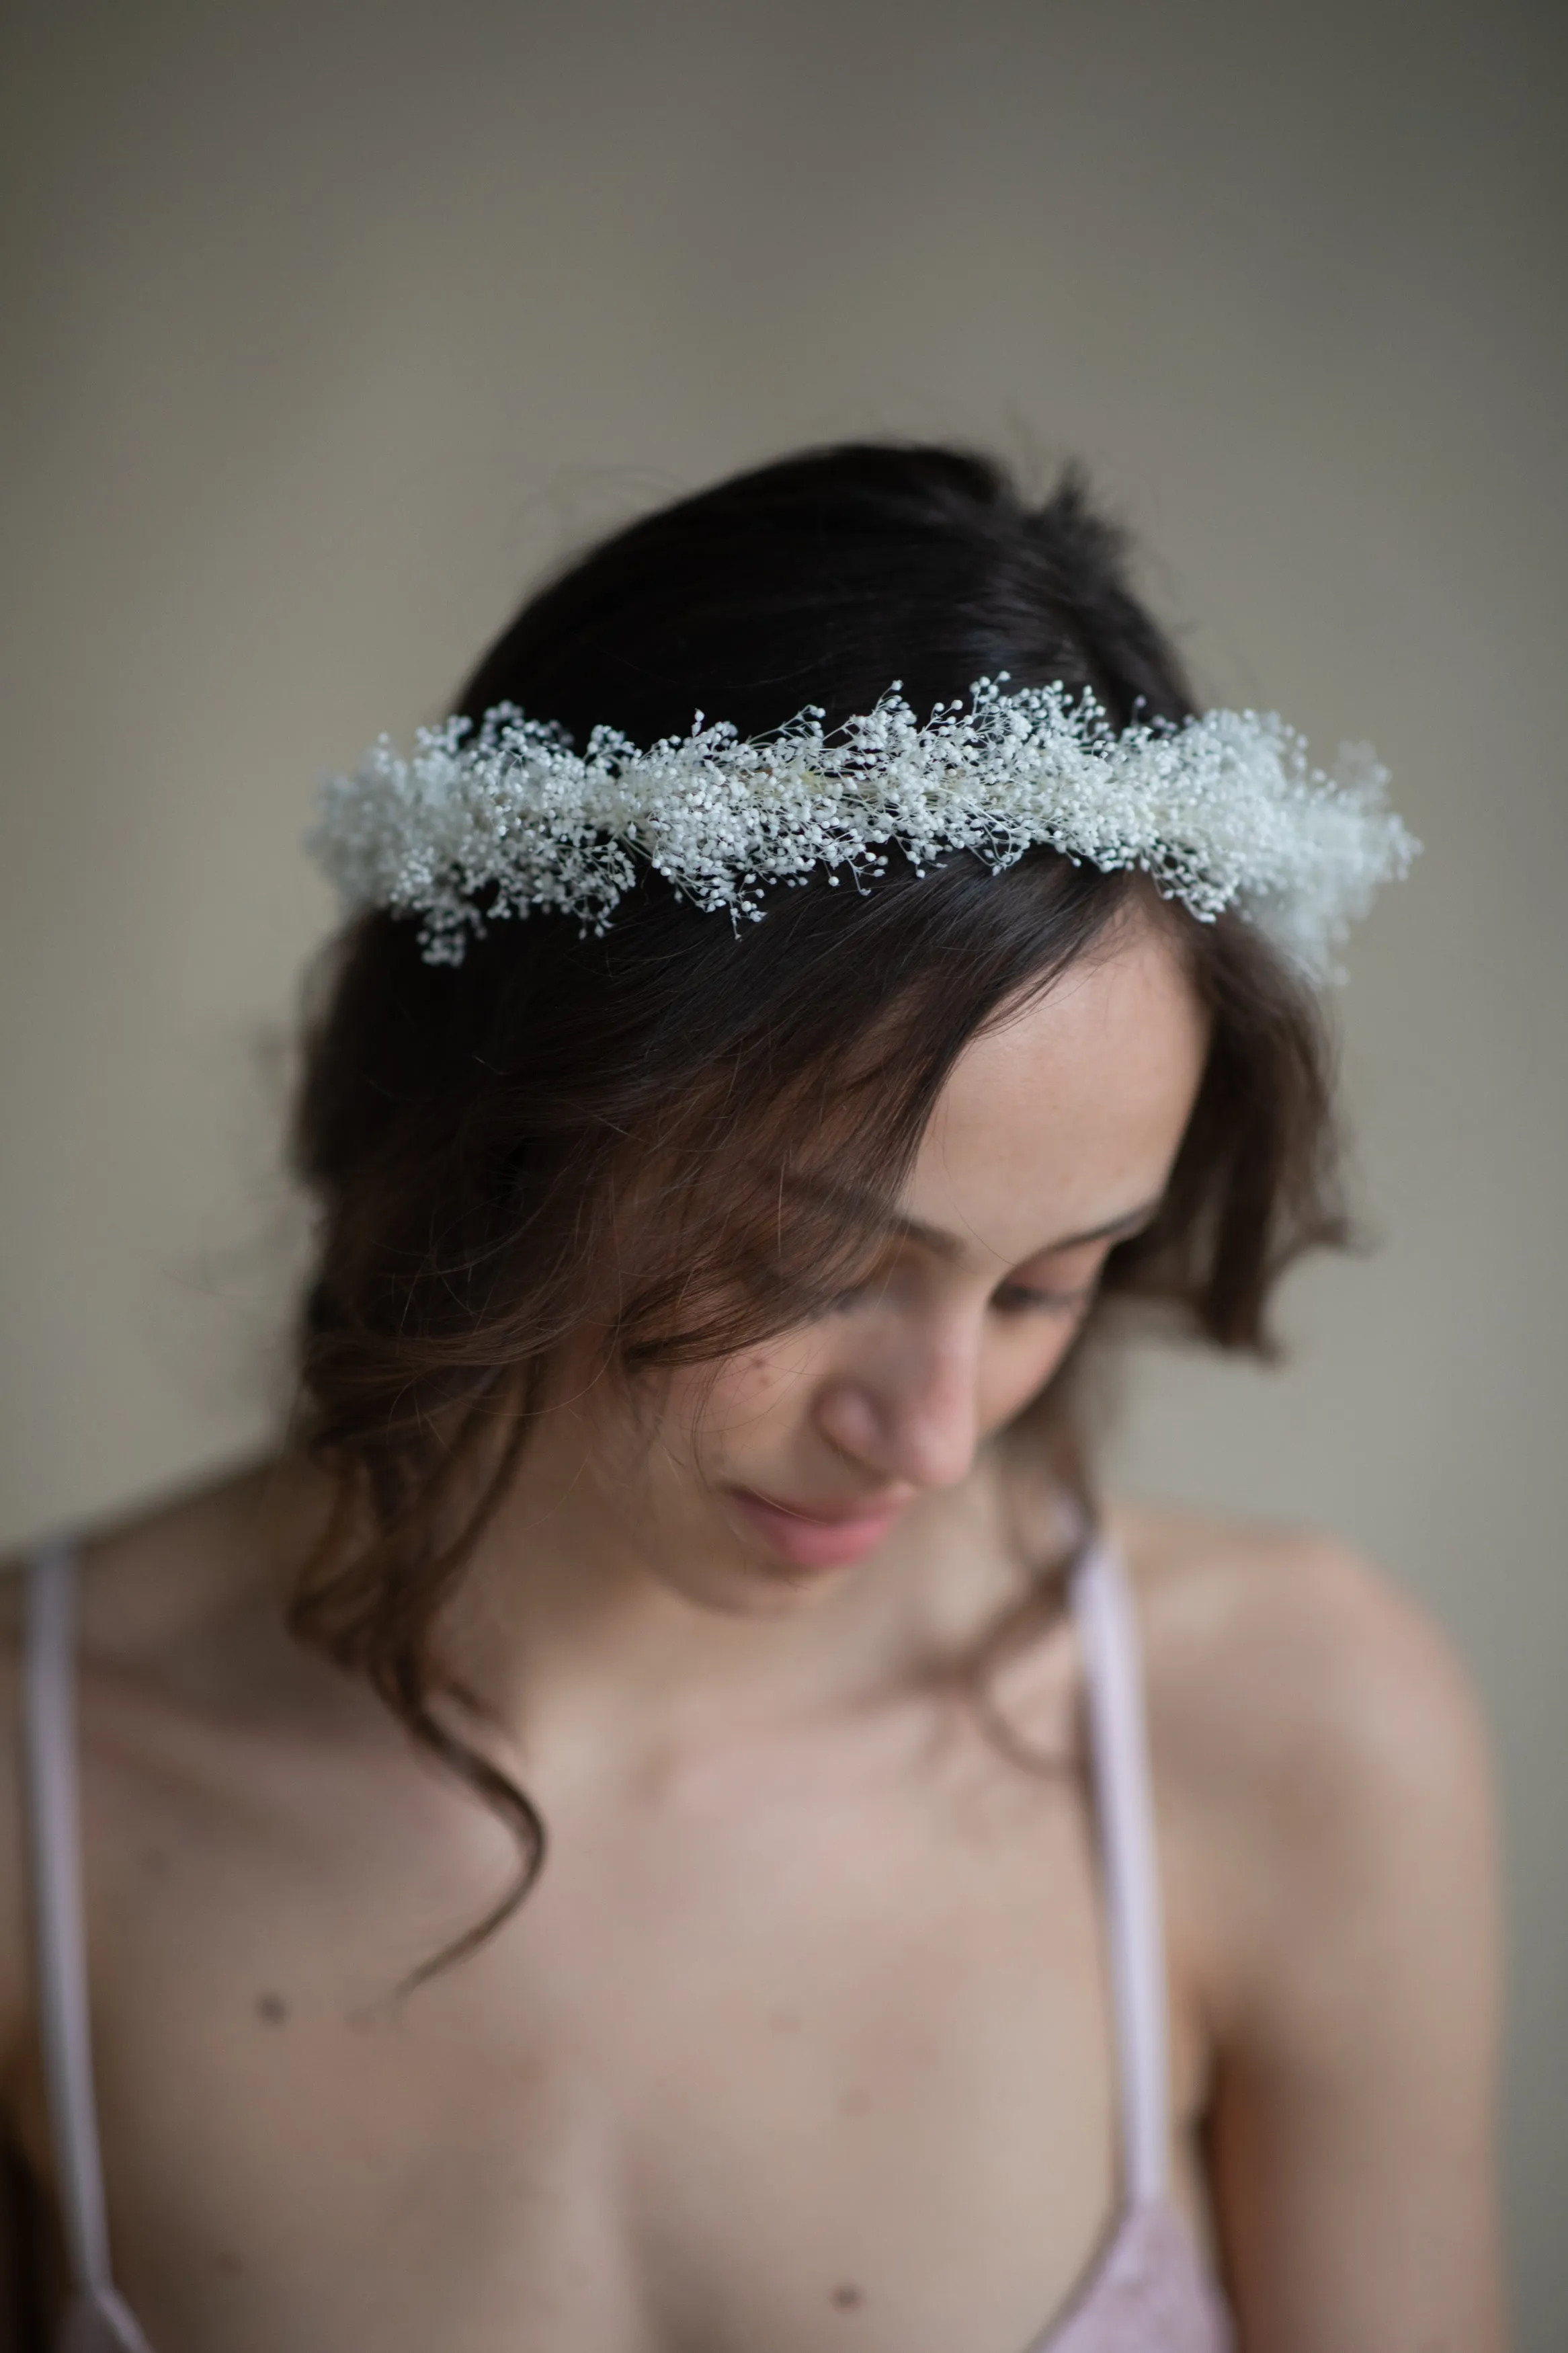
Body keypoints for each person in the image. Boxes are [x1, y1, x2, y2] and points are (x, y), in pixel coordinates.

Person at [0, 444, 1503, 2352]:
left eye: (1050, 1281)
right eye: (807, 1265)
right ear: (498, 1130)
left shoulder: (1291, 1739)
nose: (937, 1431)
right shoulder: (44, 1798)